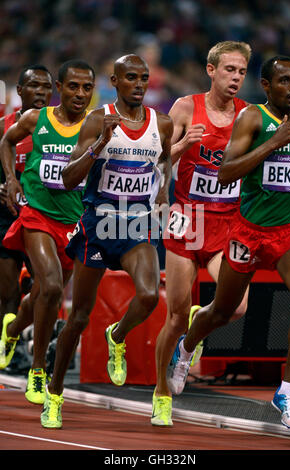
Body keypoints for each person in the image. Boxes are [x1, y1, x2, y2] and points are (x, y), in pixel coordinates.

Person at [40, 53, 173, 428]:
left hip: (135, 226)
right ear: (115, 82)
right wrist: (100, 143)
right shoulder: (98, 120)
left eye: (144, 77)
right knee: (79, 317)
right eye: (130, 77)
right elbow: (68, 178)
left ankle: (118, 334)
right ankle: (54, 394)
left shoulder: (161, 123)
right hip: (98, 224)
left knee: (148, 296)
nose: (139, 84)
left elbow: (162, 161)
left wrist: (161, 189)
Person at [168, 55, 290, 431]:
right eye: (285, 80)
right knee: (224, 311)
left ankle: (287, 391)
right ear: (267, 86)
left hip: (288, 231)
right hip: (246, 231)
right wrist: (272, 143)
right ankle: (187, 345)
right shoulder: (254, 118)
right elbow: (225, 172)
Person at [152, 40, 252, 426]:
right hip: (186, 220)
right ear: (211, 70)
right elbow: (157, 162)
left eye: (241, 72)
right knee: (176, 315)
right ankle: (162, 393)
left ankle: (189, 343)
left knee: (237, 307)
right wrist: (181, 146)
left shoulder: (249, 115)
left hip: (228, 223)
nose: (236, 78)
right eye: (229, 70)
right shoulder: (184, 107)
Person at [0, 59, 95, 405]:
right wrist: (11, 179)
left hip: (74, 223)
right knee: (52, 288)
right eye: (73, 86)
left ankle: (11, 333)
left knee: (41, 295)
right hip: (37, 215)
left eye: (87, 88)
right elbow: (6, 143)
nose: (80, 94)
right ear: (60, 87)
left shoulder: (95, 125)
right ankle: (37, 370)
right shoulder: (35, 119)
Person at [0, 65, 53, 328]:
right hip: (6, 217)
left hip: (43, 216)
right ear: (20, 90)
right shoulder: (4, 128)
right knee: (7, 294)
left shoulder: (61, 127)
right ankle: (8, 349)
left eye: (46, 87)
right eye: (34, 85)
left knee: (46, 287)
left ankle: (34, 342)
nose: (41, 92)